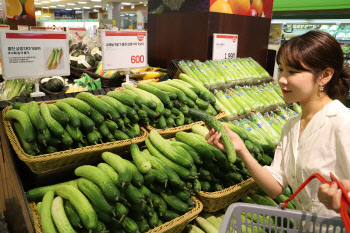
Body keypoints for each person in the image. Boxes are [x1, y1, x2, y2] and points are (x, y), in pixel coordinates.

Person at [206, 30, 350, 217]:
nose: (281, 79)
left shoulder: (343, 123)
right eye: (281, 68)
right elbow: (275, 187)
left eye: (293, 71)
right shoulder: (291, 125)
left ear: (325, 75)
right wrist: (241, 151)